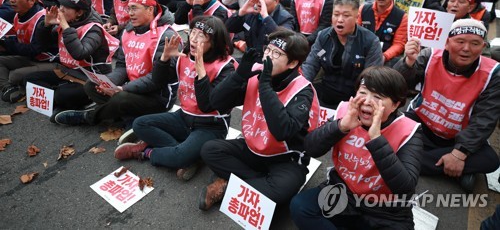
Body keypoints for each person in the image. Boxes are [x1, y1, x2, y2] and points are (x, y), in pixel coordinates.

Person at [199, 29, 320, 211]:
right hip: (252, 148)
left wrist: (265, 85)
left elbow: (282, 131)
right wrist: (239, 75)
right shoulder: (256, 73)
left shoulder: (303, 91)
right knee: (210, 150)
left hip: (285, 158)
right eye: (268, 50)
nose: (268, 56)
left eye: (277, 54)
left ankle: (229, 183)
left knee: (281, 191)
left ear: (293, 62)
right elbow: (215, 102)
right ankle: (253, 182)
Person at [290, 66, 423, 229]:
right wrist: (340, 126)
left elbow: (405, 188)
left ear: (395, 105)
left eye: (377, 96)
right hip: (343, 192)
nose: (367, 101)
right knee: (301, 207)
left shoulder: (409, 130)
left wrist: (376, 139)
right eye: (362, 92)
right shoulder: (345, 111)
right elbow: (311, 148)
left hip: (385, 208)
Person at [114, 15, 236, 181]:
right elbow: (158, 81)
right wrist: (164, 58)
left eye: (201, 36)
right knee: (140, 124)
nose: (193, 39)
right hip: (184, 117)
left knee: (180, 156)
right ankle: (188, 155)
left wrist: (200, 67)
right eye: (192, 32)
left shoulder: (226, 67)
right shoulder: (183, 56)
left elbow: (207, 104)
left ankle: (146, 151)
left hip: (210, 125)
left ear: (214, 42)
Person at [395, 19, 500, 192]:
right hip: (421, 125)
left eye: (475, 43)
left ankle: (406, 160)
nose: (466, 49)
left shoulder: (493, 73)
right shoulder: (428, 55)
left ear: (483, 47)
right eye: (460, 41)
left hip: (458, 138)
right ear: (446, 42)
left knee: (490, 160)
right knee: (387, 125)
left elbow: (485, 119)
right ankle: (450, 168)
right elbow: (396, 87)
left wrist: (459, 154)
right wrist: (408, 63)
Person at [53, 0, 177, 127]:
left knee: (120, 98)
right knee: (92, 85)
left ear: (150, 9)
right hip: (131, 88)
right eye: (128, 8)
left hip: (158, 96)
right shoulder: (128, 31)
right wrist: (109, 83)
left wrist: (123, 89)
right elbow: (122, 66)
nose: (130, 13)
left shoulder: (167, 36)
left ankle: (88, 117)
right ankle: (126, 117)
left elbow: (157, 79)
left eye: (134, 8)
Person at [25, 0, 118, 116]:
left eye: (65, 7)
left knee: (62, 95)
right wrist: (46, 25)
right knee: (30, 79)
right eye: (60, 5)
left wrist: (66, 27)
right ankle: (59, 100)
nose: (60, 9)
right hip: (67, 71)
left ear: (79, 13)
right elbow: (42, 45)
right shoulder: (68, 23)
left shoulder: (94, 29)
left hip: (90, 78)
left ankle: (82, 102)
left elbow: (80, 53)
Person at [302, 0, 383, 108]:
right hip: (325, 92)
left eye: (346, 15)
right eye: (336, 15)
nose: (339, 20)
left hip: (354, 98)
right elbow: (311, 64)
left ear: (356, 17)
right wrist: (300, 88)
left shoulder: (370, 41)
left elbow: (372, 78)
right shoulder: (324, 36)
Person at [0, 0, 58, 103]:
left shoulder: (42, 19)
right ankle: (8, 88)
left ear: (31, 0)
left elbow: (34, 50)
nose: (11, 0)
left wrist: (6, 44)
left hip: (49, 60)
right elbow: (19, 40)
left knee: (15, 75)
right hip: (30, 58)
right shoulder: (18, 15)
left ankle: (16, 86)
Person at [225, 0, 294, 56]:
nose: (260, 1)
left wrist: (265, 16)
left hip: (270, 60)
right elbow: (229, 28)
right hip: (250, 57)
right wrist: (241, 12)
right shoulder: (252, 12)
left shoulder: (286, 18)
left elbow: (284, 41)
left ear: (276, 1)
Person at [358, 0, 407, 67]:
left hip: (384, 57)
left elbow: (399, 44)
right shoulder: (363, 9)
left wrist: (383, 57)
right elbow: (354, 33)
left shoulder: (402, 16)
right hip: (361, 52)